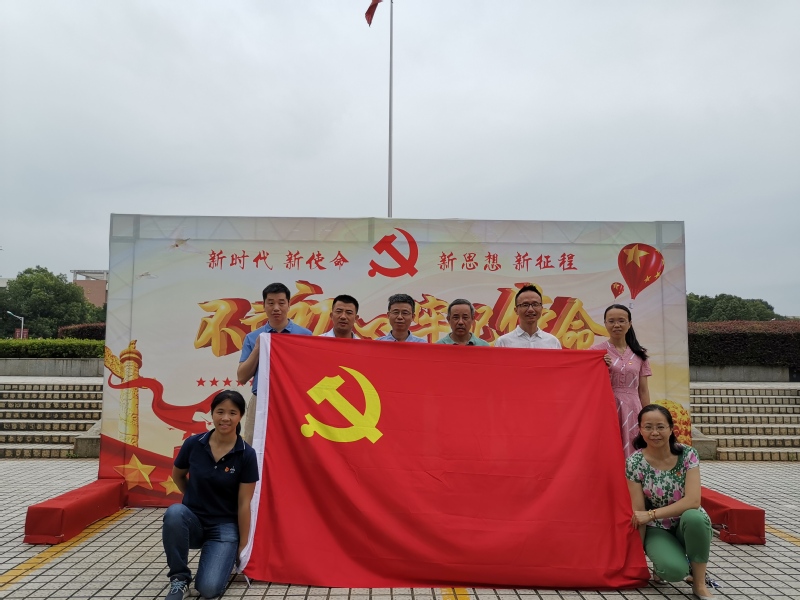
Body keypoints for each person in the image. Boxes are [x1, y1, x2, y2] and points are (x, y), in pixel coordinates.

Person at [162, 390, 259, 600]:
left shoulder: (246, 454)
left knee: (208, 590)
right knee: (175, 513)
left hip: (224, 527)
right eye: (220, 412)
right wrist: (194, 496)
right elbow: (178, 475)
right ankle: (179, 579)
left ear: (240, 416)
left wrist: (243, 547)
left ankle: (222, 555)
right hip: (194, 521)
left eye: (232, 413)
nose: (225, 418)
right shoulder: (193, 444)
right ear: (212, 413)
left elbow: (244, 503)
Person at [626, 405, 714, 599]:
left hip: (686, 522)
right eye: (648, 427)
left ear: (671, 428)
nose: (654, 432)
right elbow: (639, 513)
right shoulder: (634, 463)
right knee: (673, 571)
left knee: (695, 518)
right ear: (640, 429)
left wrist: (651, 514)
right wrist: (637, 564)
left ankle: (699, 583)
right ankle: (665, 565)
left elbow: (693, 501)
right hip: (657, 528)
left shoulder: (688, 454)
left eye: (660, 427)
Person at [237, 282, 312, 444]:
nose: (276, 308)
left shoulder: (305, 336)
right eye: (270, 303)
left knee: (294, 445)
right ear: (264, 306)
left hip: (293, 401)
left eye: (281, 303)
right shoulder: (253, 337)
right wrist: (258, 348)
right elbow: (242, 377)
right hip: (261, 400)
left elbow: (310, 373)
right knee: (254, 445)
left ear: (289, 305)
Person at [591, 304, 651, 457]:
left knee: (633, 448)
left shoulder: (640, 354)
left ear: (629, 323)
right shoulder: (596, 352)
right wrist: (601, 367)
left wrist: (647, 416)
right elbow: (588, 385)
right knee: (608, 448)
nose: (616, 325)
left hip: (633, 408)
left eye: (621, 321)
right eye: (611, 321)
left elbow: (643, 390)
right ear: (605, 323)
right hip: (606, 407)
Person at [494, 285, 561, 349]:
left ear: (541, 308)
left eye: (535, 304)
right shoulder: (503, 342)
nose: (530, 309)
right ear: (516, 310)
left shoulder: (553, 342)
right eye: (525, 305)